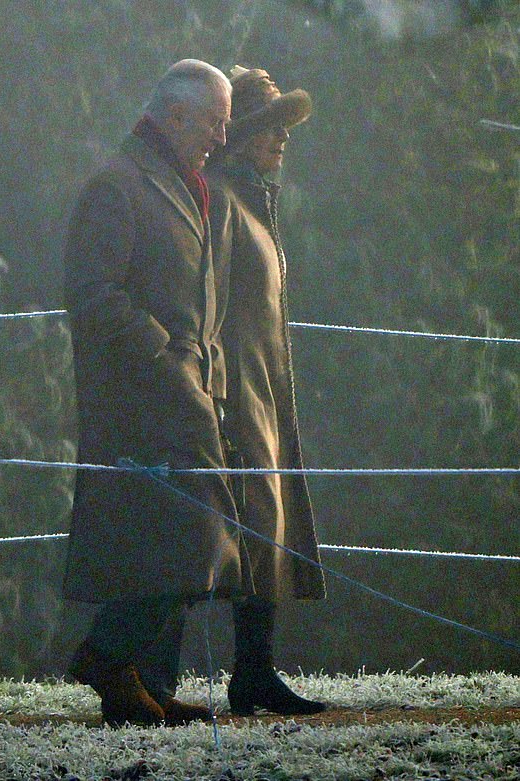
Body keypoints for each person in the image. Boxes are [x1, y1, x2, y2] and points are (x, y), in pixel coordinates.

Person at [63, 60, 249, 727]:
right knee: (190, 536)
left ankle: (146, 687)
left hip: (190, 397)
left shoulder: (190, 186)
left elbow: (203, 306)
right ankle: (107, 656)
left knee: (178, 539)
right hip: (140, 404)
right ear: (174, 116)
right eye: (212, 122)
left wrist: (210, 380)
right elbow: (93, 295)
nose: (220, 138)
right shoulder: (117, 184)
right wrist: (164, 358)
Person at [208, 66, 327, 716]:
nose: (282, 139)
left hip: (264, 389)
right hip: (236, 390)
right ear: (244, 135)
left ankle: (255, 669)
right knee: (247, 527)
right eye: (270, 127)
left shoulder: (254, 203)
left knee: (266, 526)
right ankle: (241, 671)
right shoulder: (224, 202)